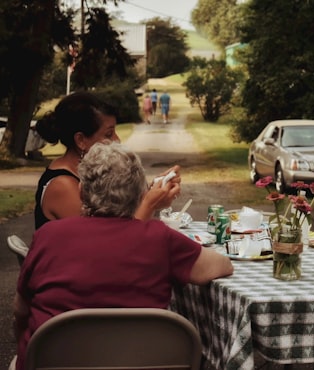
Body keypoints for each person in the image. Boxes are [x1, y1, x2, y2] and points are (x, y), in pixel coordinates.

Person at [12, 141, 234, 370]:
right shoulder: (160, 238)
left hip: (53, 363)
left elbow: (21, 310)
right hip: (139, 363)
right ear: (140, 194)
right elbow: (221, 266)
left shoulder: (48, 235)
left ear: (81, 191)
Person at [34, 91, 180, 230]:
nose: (117, 139)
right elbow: (108, 244)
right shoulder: (62, 185)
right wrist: (150, 204)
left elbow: (115, 223)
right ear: (81, 140)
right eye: (109, 134)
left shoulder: (89, 175)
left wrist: (152, 191)